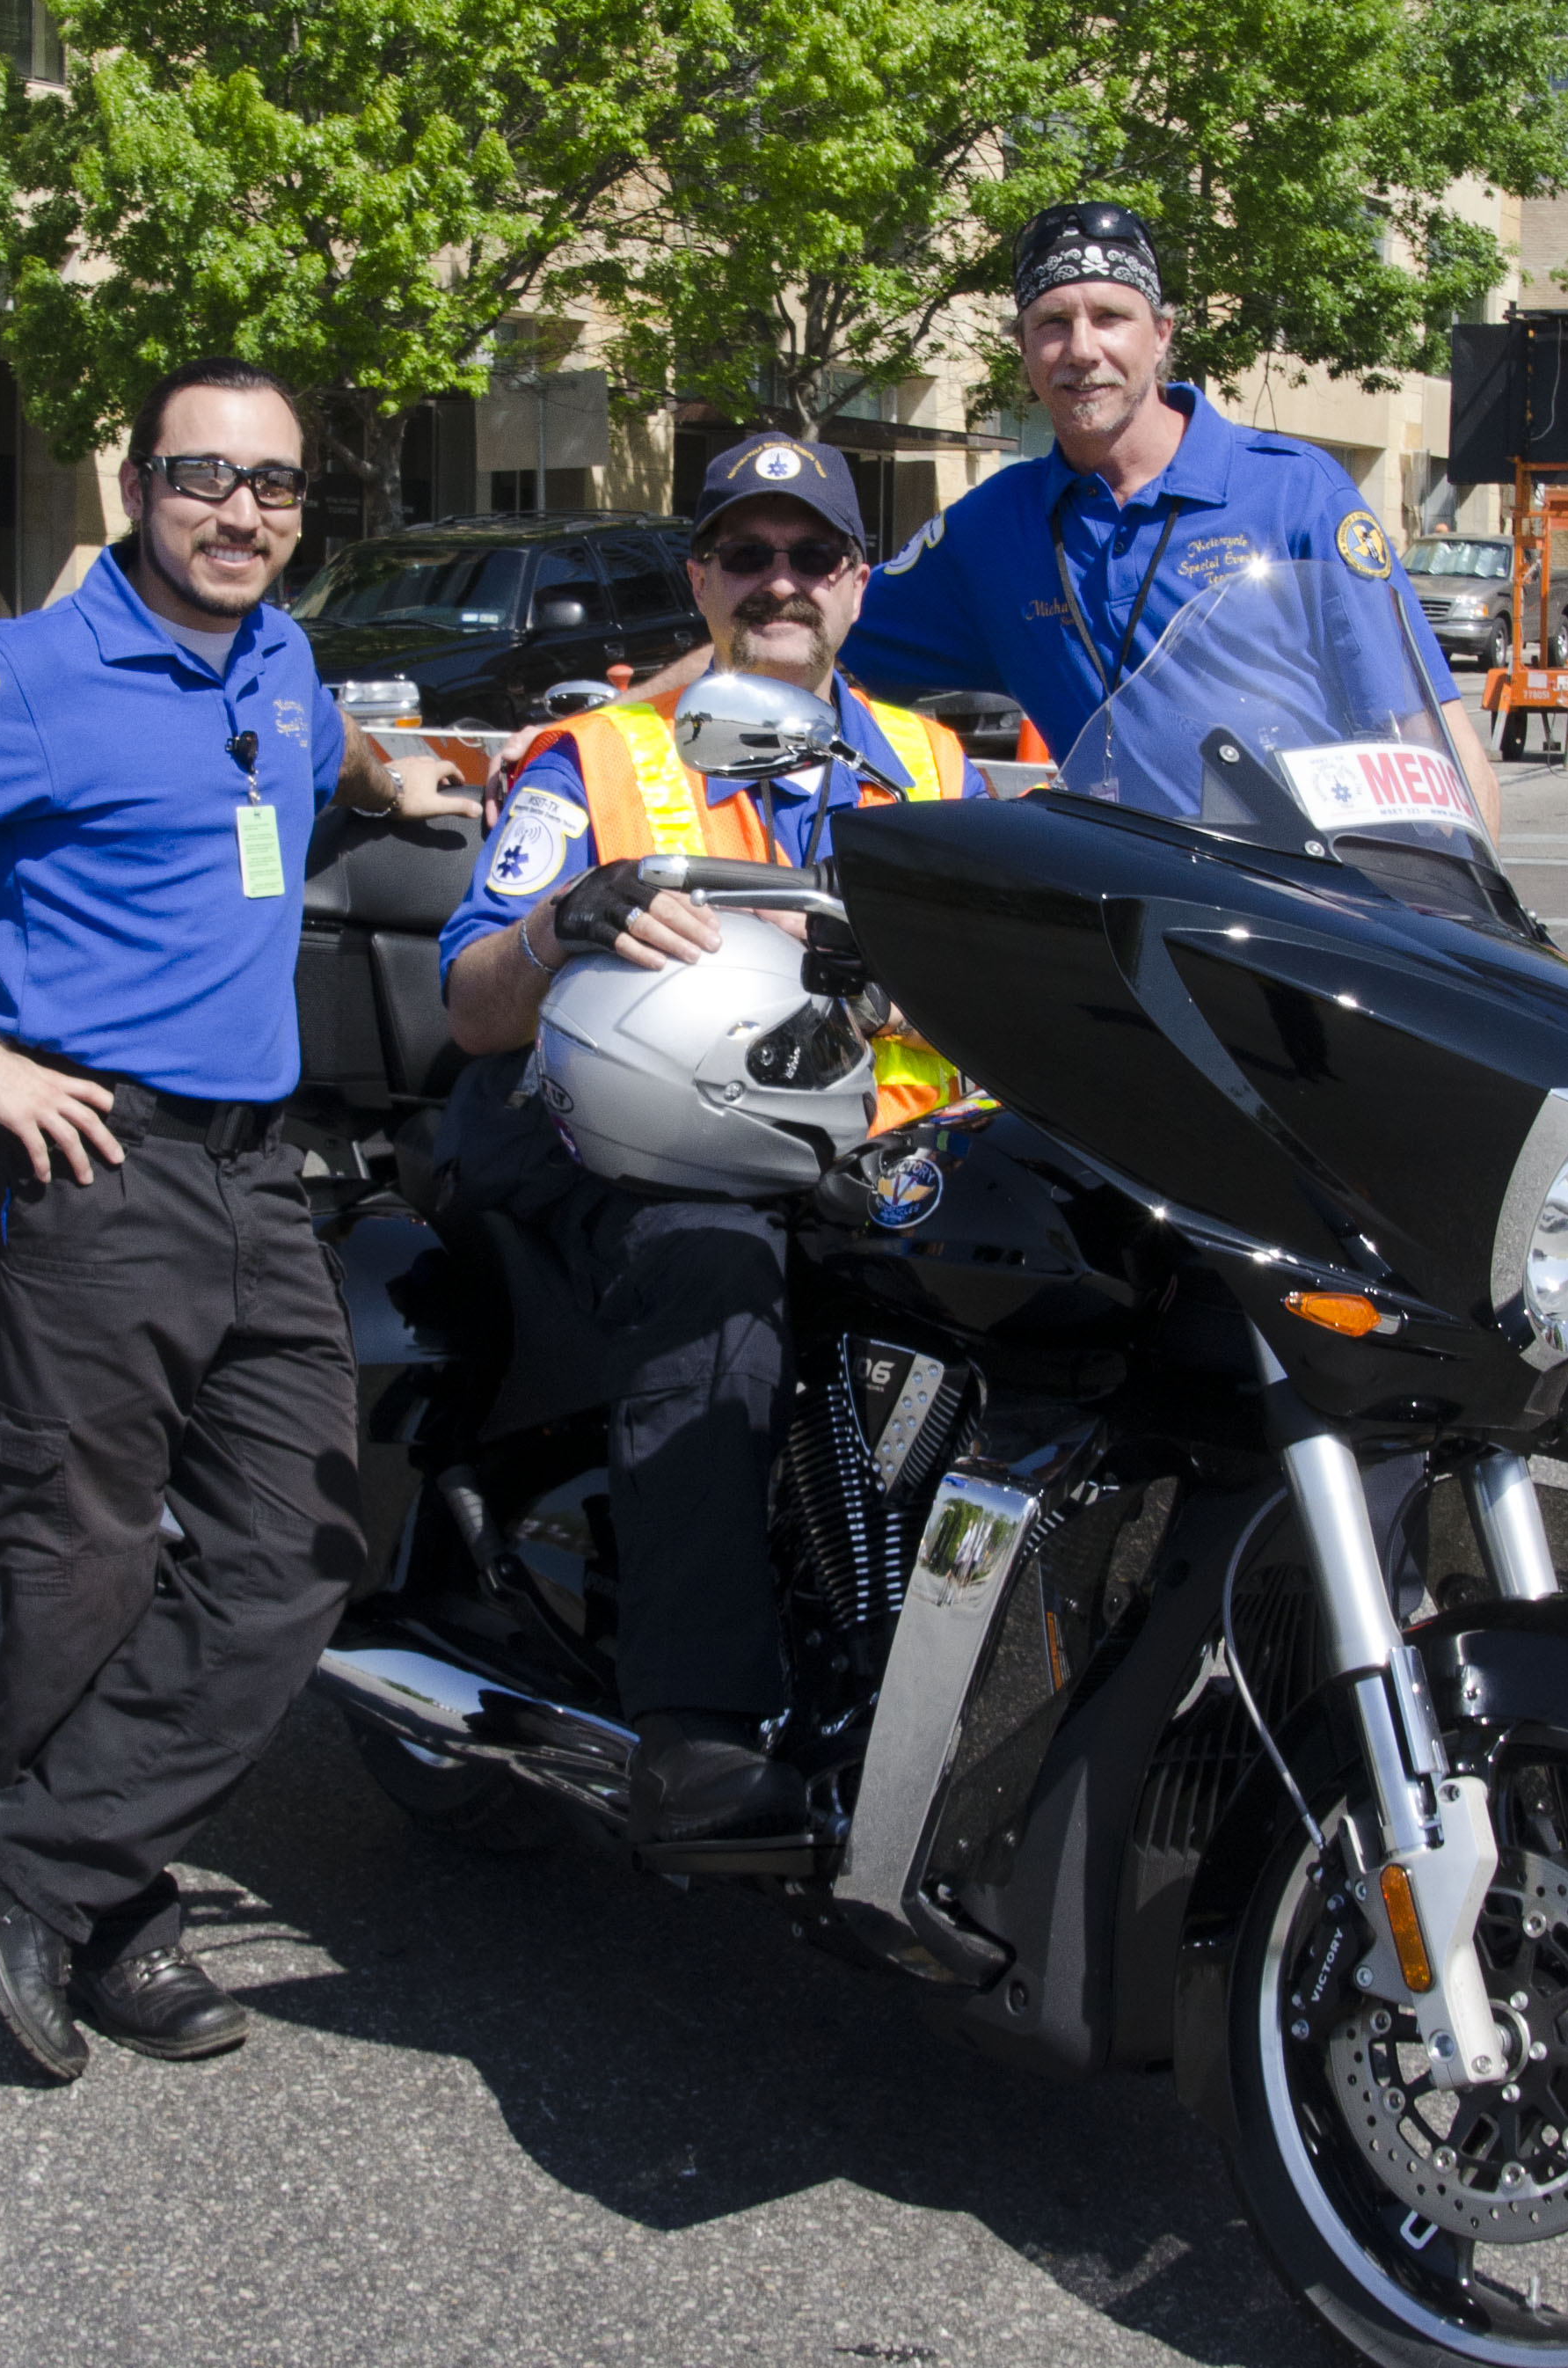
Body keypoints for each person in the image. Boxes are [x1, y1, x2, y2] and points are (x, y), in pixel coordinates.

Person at [0, 356, 477, 2084]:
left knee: (300, 1545)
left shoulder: (281, 656)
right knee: (80, 1556)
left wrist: (404, 783)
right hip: (88, 1164)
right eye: (201, 476)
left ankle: (32, 1857)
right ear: (135, 486)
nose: (239, 511)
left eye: (273, 484)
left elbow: (320, 745)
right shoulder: (25, 672)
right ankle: (110, 1915)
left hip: (255, 1172)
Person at [436, 430, 986, 1846]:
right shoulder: (594, 760)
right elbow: (472, 1005)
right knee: (712, 1263)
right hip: (621, 1134)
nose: (780, 581)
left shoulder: (934, 764)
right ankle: (701, 1731)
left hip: (873, 1149)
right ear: (700, 579)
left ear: (858, 580)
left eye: (813, 554)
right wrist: (565, 924)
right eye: (747, 554)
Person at [627, 202, 1499, 833]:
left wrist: (1468, 921)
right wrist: (605, 721)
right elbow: (794, 624)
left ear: (1161, 334)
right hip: (1138, 934)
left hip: (1315, 910)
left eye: (1110, 317)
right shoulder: (990, 529)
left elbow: (1431, 739)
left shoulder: (1294, 491)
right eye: (1052, 324)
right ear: (1023, 350)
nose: (1082, 350)